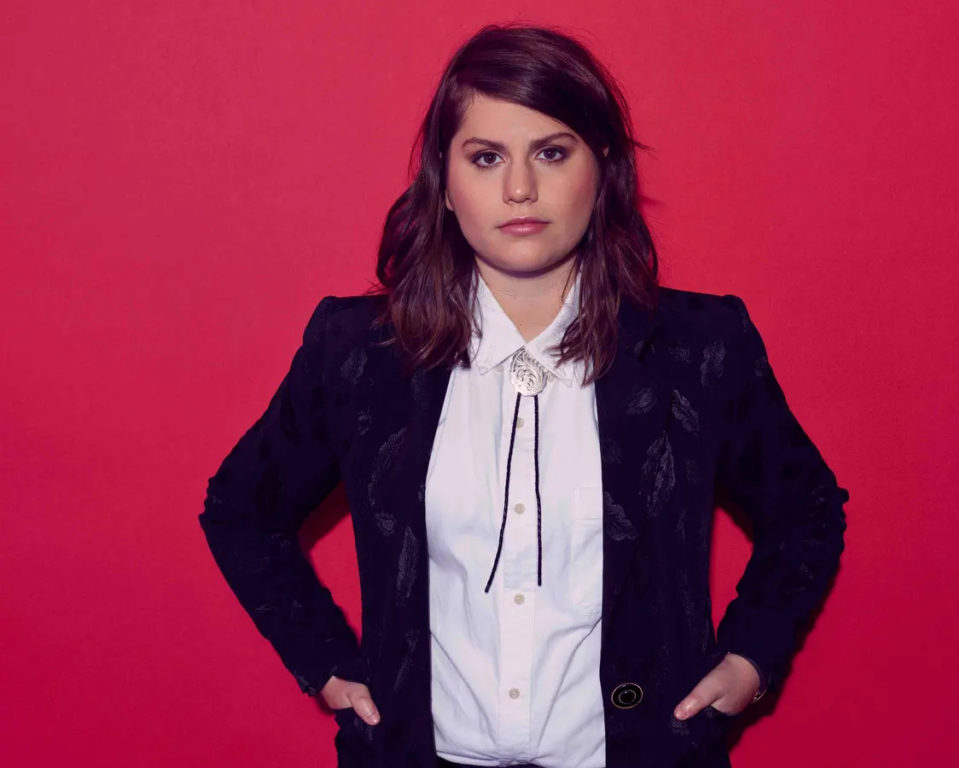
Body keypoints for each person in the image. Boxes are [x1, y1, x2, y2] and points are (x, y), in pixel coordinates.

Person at [199, 23, 849, 768]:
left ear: (601, 170)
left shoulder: (699, 349)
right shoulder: (360, 353)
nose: (519, 188)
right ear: (444, 184)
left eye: (551, 152)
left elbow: (805, 511)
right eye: (485, 157)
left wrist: (752, 658)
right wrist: (323, 659)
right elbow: (241, 510)